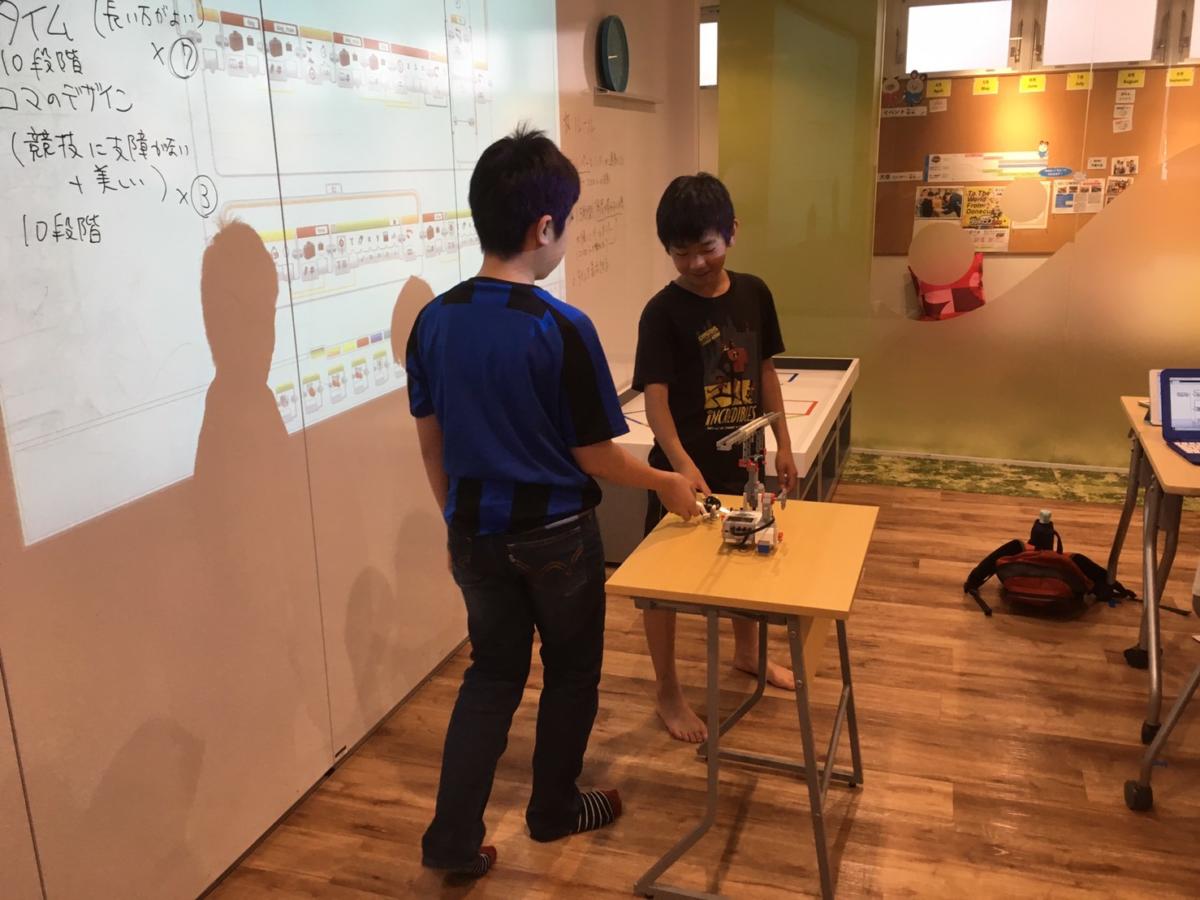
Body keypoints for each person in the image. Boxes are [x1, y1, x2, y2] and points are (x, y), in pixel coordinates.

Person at [407, 125, 696, 878]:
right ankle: (553, 808)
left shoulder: (433, 322)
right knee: (570, 673)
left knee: (491, 676)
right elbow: (595, 457)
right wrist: (664, 481)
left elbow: (433, 446)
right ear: (544, 228)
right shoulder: (561, 327)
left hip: (474, 534)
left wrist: (455, 522)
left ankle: (450, 843)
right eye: (566, 223)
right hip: (558, 539)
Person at [633, 173, 799, 743]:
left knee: (750, 557)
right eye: (681, 253)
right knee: (660, 585)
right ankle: (667, 690)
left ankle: (747, 654)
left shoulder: (755, 292)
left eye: (706, 248)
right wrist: (679, 463)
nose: (696, 263)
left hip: (744, 460)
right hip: (680, 472)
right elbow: (655, 400)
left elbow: (766, 371)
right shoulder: (661, 312)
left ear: (732, 232)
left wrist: (783, 443)